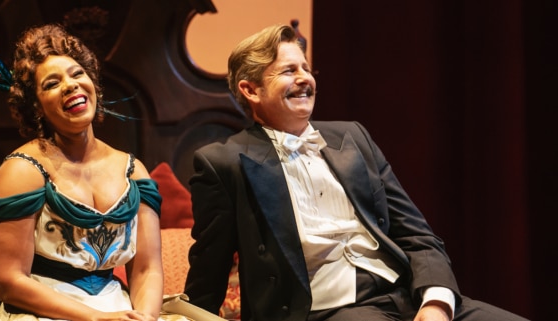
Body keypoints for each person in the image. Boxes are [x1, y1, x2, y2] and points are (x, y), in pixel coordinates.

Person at [183, 24, 528, 321]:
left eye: (305, 67)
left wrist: (437, 301)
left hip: (410, 296)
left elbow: (417, 234)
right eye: (288, 71)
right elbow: (208, 269)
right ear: (250, 90)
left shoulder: (352, 137)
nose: (305, 78)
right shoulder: (224, 162)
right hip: (330, 311)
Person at [0, 23, 170, 321]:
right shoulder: (23, 171)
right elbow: (10, 281)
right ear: (36, 106)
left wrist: (146, 317)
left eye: (78, 74)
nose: (70, 85)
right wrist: (96, 319)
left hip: (116, 307)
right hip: (40, 308)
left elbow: (146, 268)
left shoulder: (133, 172)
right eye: (52, 83)